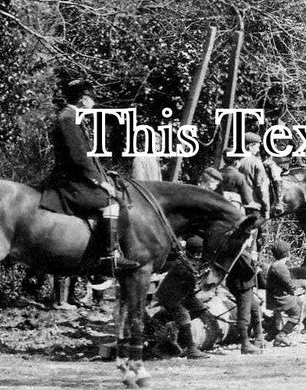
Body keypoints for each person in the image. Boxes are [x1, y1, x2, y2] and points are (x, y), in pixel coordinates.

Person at [39, 79, 140, 274]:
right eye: (92, 99)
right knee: (110, 202)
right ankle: (109, 256)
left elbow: (87, 157)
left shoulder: (72, 116)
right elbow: (79, 158)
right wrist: (101, 182)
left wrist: (104, 172)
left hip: (76, 177)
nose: (93, 104)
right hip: (70, 181)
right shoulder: (68, 118)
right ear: (84, 100)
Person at [154, 236, 212, 359]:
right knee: (184, 315)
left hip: (184, 294)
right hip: (171, 296)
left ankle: (173, 325)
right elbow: (193, 279)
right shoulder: (183, 264)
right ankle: (191, 348)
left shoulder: (191, 261)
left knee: (202, 310)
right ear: (197, 251)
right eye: (200, 251)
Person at [265, 240, 306, 346]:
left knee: (304, 304)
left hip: (280, 296)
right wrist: (303, 282)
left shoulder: (278, 265)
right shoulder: (279, 267)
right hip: (279, 299)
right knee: (297, 312)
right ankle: (282, 335)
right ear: (287, 253)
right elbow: (290, 284)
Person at [235, 132, 271, 259]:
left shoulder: (237, 161)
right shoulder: (255, 162)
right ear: (250, 146)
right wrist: (267, 209)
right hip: (253, 206)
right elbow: (262, 187)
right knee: (252, 238)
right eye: (257, 146)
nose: (258, 149)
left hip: (238, 205)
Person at [226, 251, 263, 354]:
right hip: (242, 286)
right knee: (244, 315)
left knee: (255, 310)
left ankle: (259, 339)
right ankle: (245, 344)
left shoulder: (241, 251)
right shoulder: (240, 253)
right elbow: (249, 271)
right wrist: (255, 264)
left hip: (245, 285)